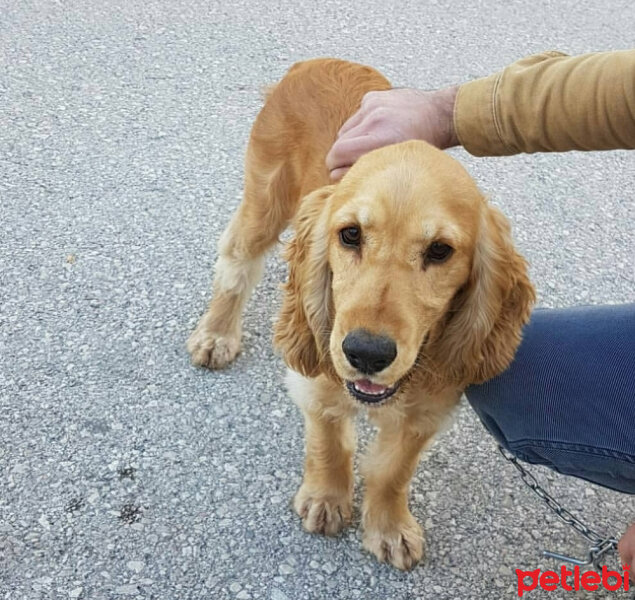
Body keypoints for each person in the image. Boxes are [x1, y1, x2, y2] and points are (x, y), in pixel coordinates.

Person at [326, 50, 635, 571]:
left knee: (483, 372)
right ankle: (227, 301)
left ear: (477, 269)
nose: (372, 334)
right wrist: (449, 112)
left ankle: (386, 497)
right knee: (254, 232)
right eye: (352, 237)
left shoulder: (487, 272)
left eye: (439, 252)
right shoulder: (322, 240)